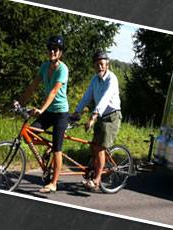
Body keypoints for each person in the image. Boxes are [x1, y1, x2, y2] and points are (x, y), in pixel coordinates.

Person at [16, 35, 70, 193]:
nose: (52, 51)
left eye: (56, 49)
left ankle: (53, 183)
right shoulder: (45, 66)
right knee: (30, 135)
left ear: (60, 52)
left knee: (57, 150)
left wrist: (41, 109)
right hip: (48, 112)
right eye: (50, 49)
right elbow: (33, 85)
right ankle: (51, 145)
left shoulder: (63, 69)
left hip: (60, 113)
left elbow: (53, 92)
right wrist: (20, 102)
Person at [72, 51, 122, 192]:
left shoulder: (112, 79)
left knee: (99, 148)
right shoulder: (95, 79)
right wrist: (76, 112)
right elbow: (87, 97)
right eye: (97, 64)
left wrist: (93, 117)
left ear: (107, 64)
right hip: (100, 116)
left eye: (102, 64)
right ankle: (98, 169)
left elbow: (105, 99)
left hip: (111, 117)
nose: (99, 67)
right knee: (94, 146)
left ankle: (97, 180)